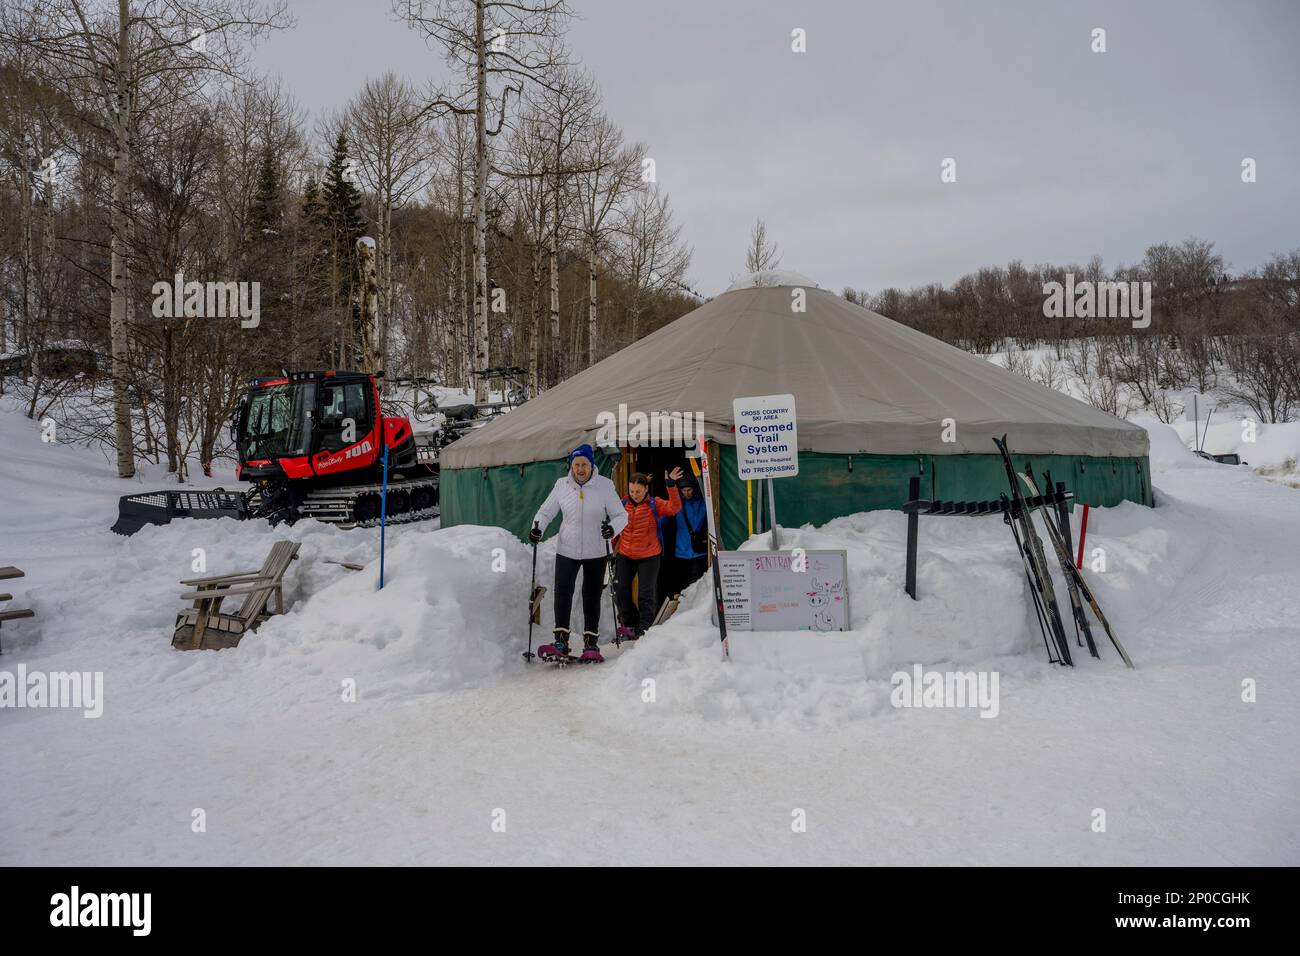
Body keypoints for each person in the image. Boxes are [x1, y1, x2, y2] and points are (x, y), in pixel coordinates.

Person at [530, 444, 627, 662]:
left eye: (584, 464)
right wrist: (537, 528)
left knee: (591, 595)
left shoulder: (605, 485)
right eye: (576, 465)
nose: (580, 469)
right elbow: (546, 511)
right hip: (567, 548)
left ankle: (591, 644)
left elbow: (621, 515)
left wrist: (612, 528)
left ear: (591, 464)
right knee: (563, 592)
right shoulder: (561, 485)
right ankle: (561, 642)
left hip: (596, 549)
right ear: (571, 466)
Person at [615, 468, 682, 640]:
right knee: (620, 590)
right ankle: (630, 624)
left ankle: (645, 628)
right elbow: (614, 528)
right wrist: (609, 550)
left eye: (638, 491)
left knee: (645, 594)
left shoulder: (654, 504)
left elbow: (675, 508)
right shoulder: (622, 504)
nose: (634, 494)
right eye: (631, 491)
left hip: (649, 555)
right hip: (625, 554)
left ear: (646, 489)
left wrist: (671, 485)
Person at [660, 472, 709, 598]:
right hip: (681, 551)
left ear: (695, 489)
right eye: (683, 490)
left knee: (696, 585)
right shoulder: (677, 504)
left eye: (689, 490)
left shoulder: (704, 501)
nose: (686, 493)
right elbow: (661, 519)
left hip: (699, 551)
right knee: (682, 584)